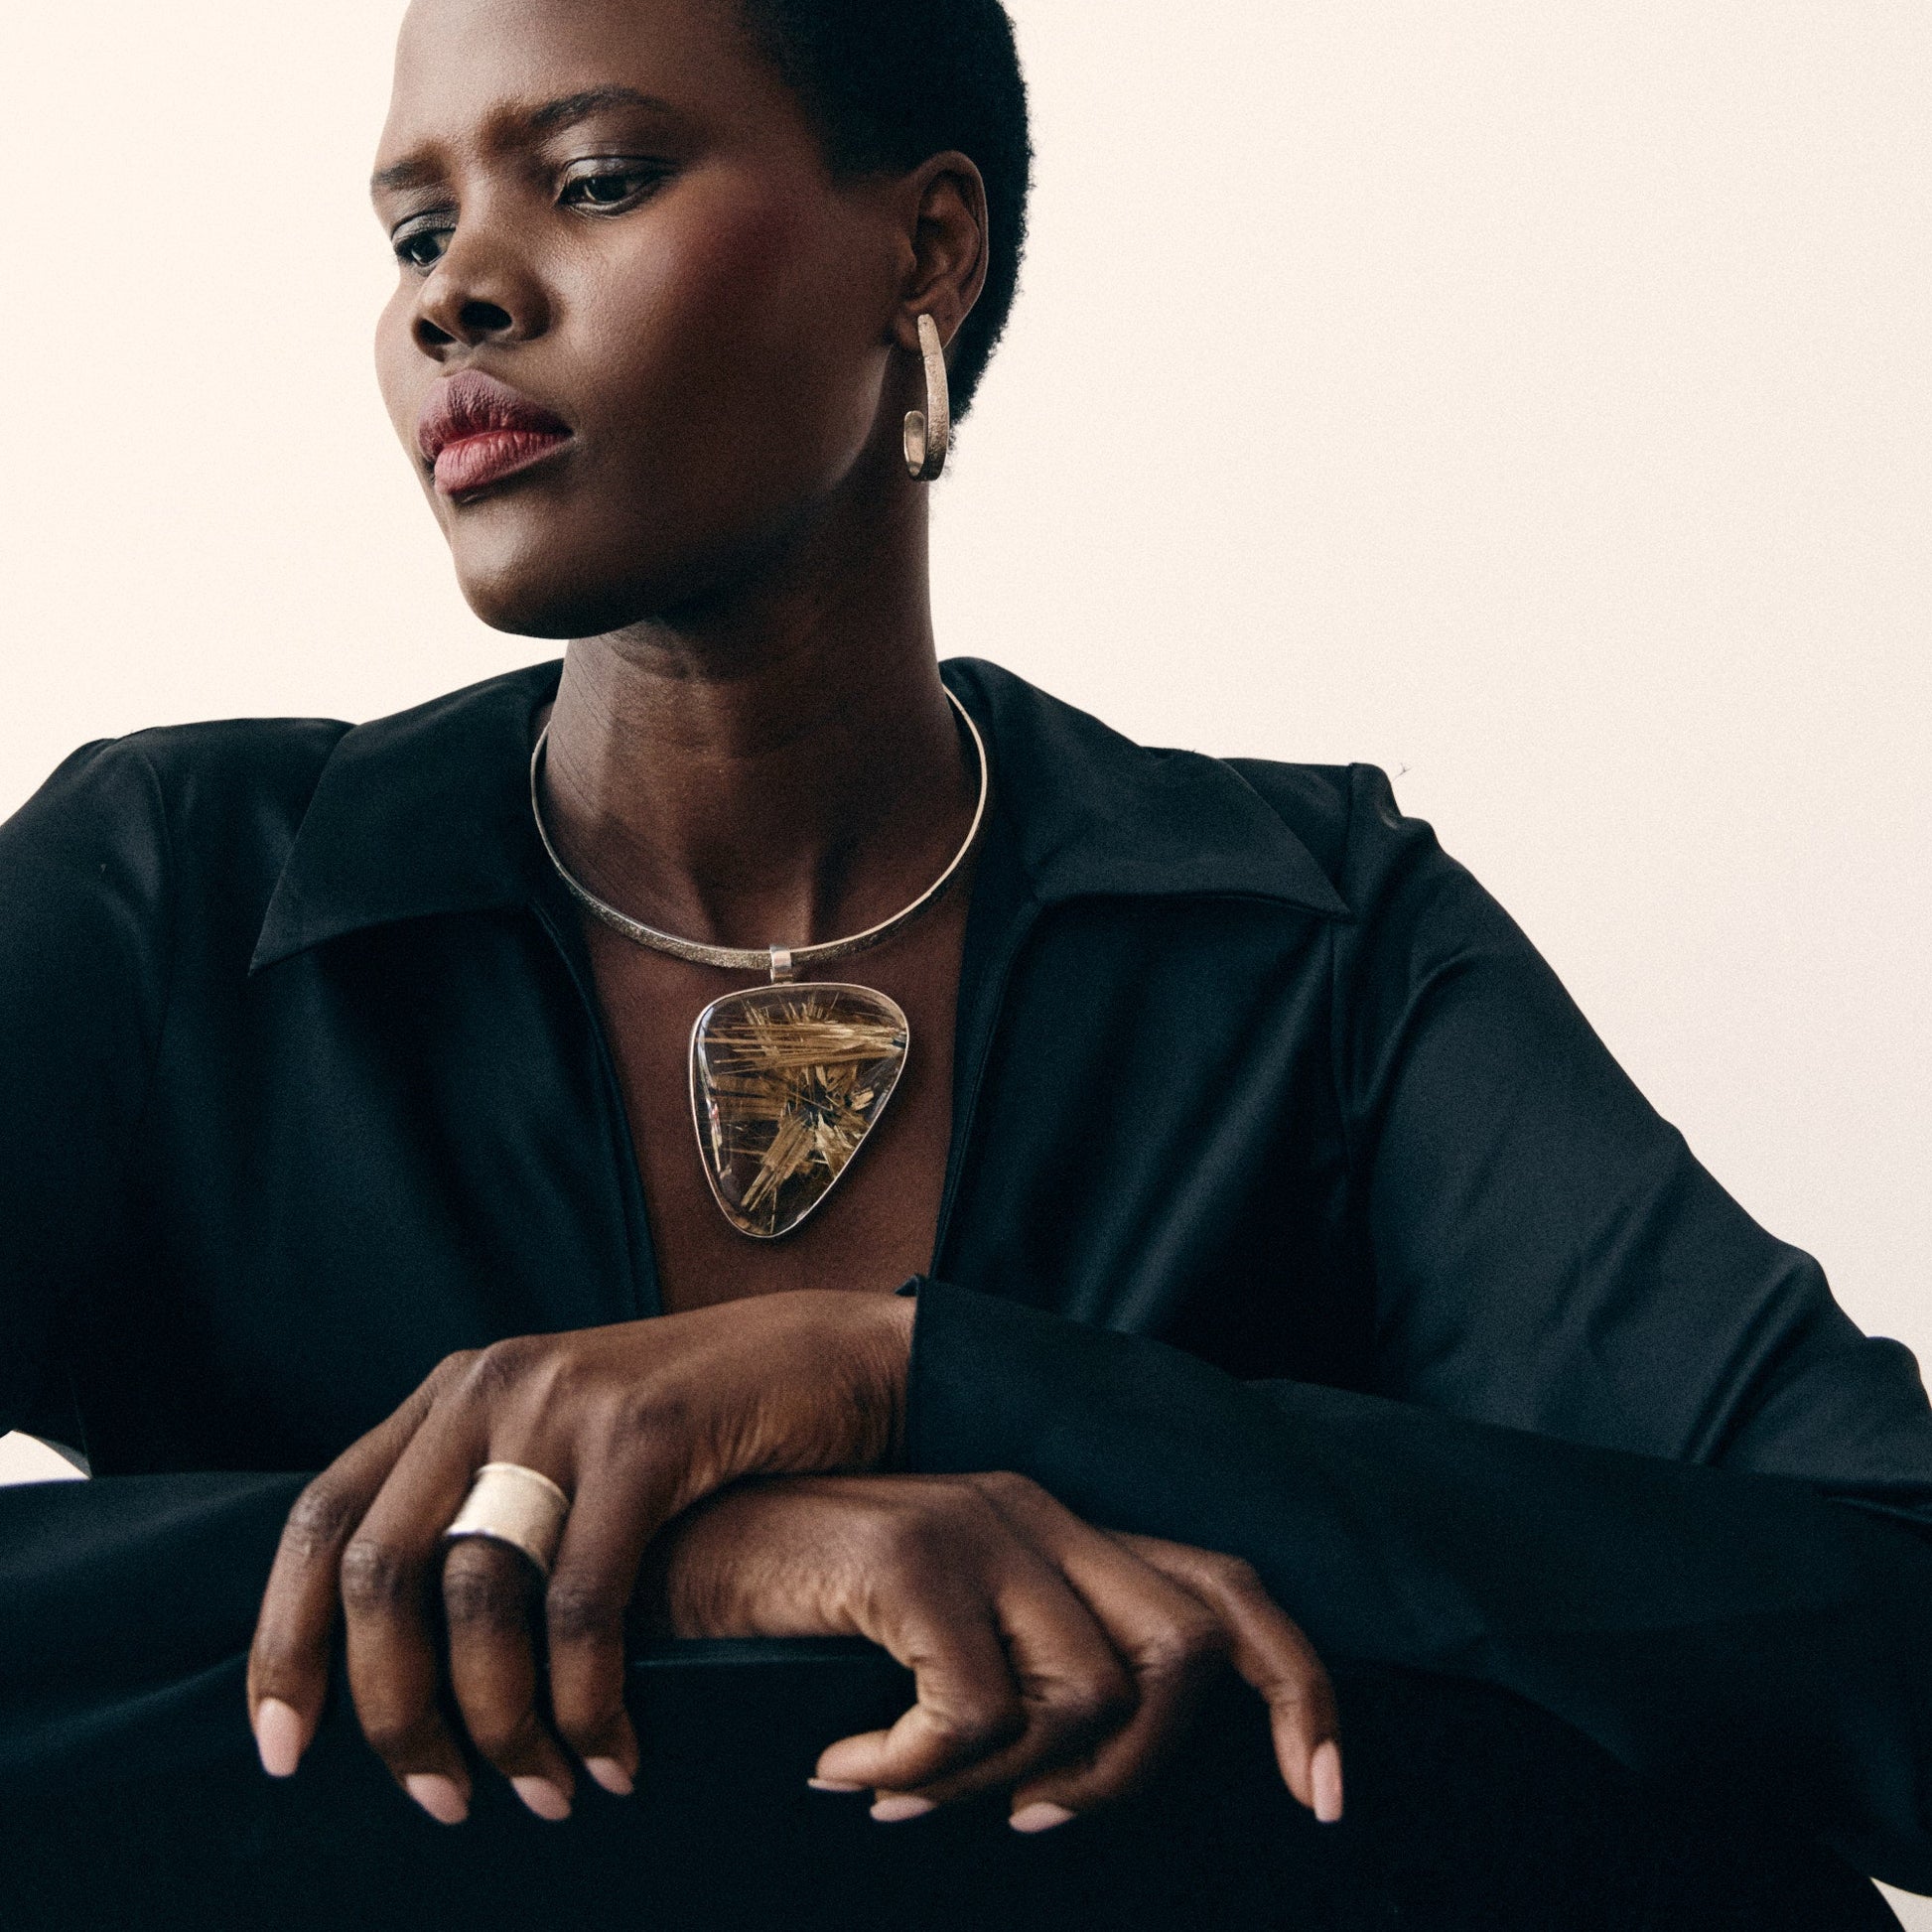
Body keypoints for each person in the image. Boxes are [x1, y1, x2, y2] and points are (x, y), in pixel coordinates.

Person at [2, 0, 1929, 1925]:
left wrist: (916, 1377)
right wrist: (679, 1559)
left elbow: (1889, 1616)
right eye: (416, 232)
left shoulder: (1306, 943)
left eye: (593, 180)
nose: (455, 296)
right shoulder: (174, 894)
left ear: (925, 250)